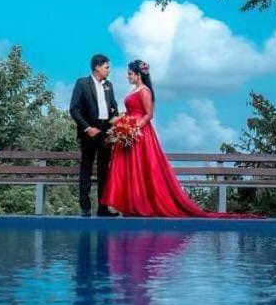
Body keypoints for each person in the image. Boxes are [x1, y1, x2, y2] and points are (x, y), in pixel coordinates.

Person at [101, 59, 260, 218]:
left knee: (141, 168)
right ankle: (131, 204)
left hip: (140, 134)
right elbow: (131, 110)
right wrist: (123, 124)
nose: (127, 76)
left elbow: (149, 114)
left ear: (138, 75)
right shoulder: (133, 90)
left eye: (130, 74)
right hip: (129, 134)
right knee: (129, 169)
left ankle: (141, 204)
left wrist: (135, 127)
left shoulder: (145, 91)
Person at [67, 53, 119, 217]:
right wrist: (87, 128)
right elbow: (74, 109)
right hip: (89, 132)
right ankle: (85, 207)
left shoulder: (109, 85)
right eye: (106, 67)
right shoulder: (82, 83)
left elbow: (114, 107)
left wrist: (115, 122)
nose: (109, 70)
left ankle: (103, 208)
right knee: (86, 169)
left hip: (105, 132)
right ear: (97, 67)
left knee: (104, 171)